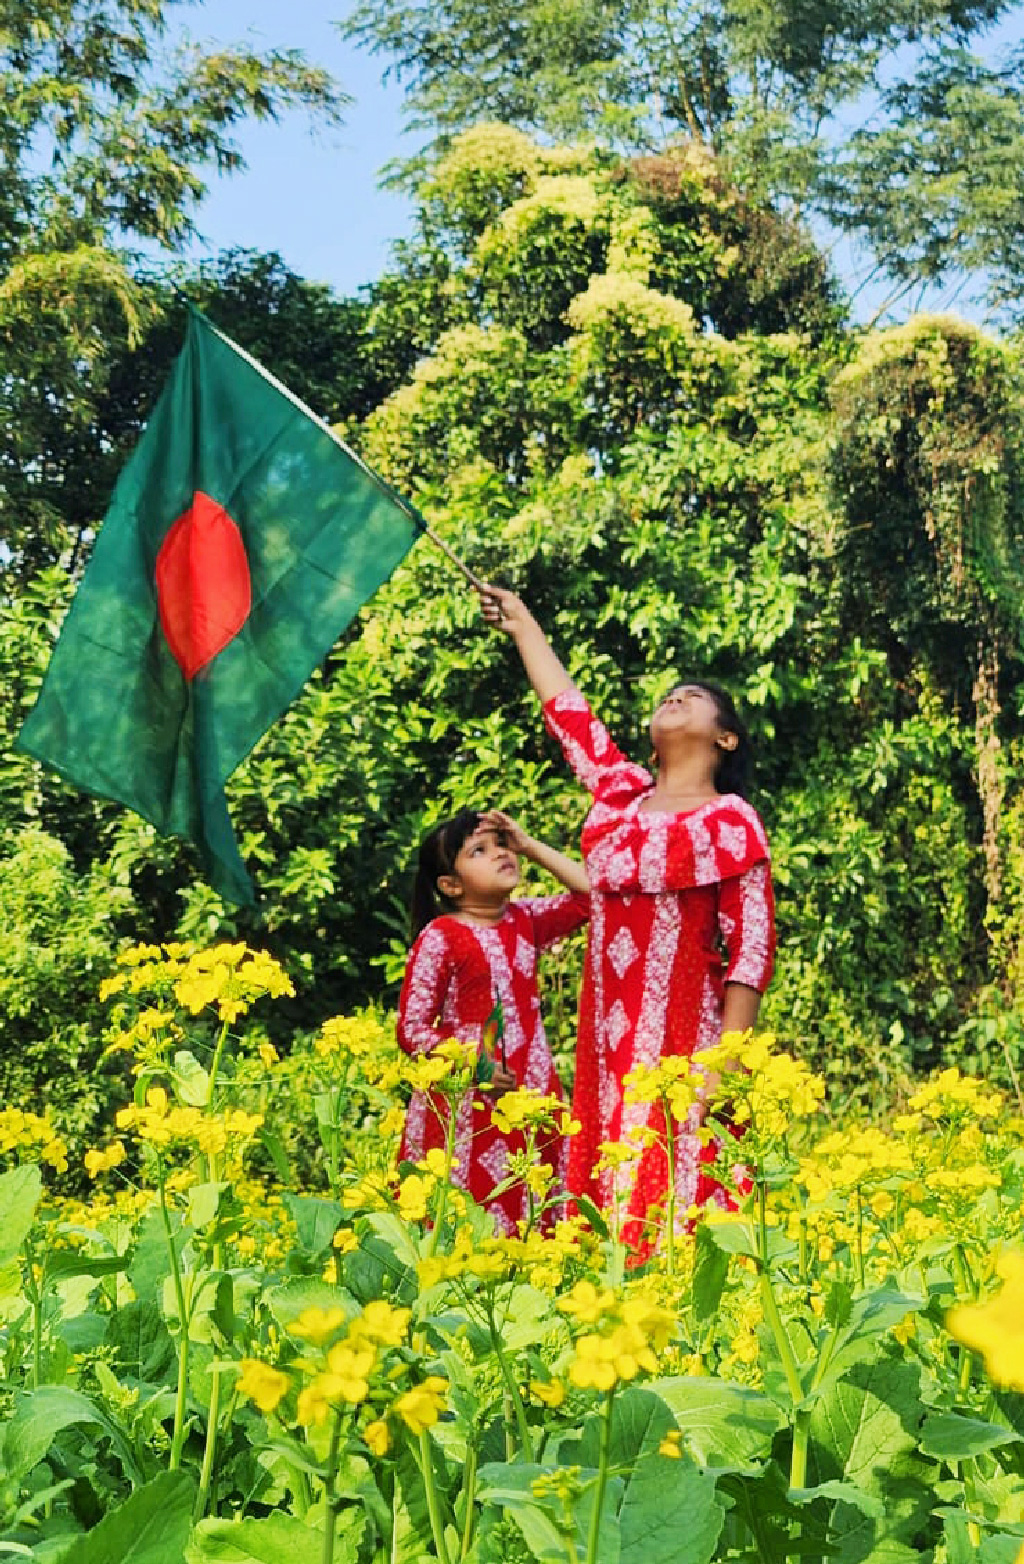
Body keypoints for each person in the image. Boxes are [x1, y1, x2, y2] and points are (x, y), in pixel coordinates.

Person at [479, 587, 775, 1255]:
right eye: (668, 694)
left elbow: (751, 951)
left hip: (688, 1041)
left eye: (691, 696)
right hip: (605, 1042)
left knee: (683, 1200)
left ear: (725, 737)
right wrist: (524, 622)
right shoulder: (618, 796)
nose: (673, 698)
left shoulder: (731, 821)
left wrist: (723, 1066)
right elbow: (569, 716)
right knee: (603, 1194)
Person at [397, 808, 590, 1235]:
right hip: (464, 1104)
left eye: (501, 845)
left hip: (531, 1091)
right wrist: (474, 1065)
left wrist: (530, 845)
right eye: (479, 851)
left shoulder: (526, 921)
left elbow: (590, 897)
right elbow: (411, 1029)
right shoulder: (441, 937)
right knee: (461, 1219)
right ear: (450, 885)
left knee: (532, 1212)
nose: (501, 854)